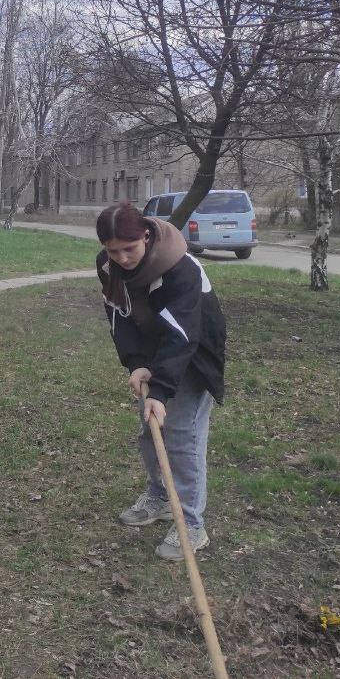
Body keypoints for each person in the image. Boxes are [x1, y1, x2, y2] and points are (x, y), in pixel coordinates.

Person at [96, 202, 226, 561]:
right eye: (113, 250)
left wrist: (162, 388)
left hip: (193, 353)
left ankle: (191, 523)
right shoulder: (107, 265)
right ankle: (160, 497)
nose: (121, 258)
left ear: (147, 235)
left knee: (182, 438)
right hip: (154, 353)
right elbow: (118, 314)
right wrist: (136, 363)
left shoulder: (181, 268)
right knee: (149, 430)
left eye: (129, 248)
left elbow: (182, 334)